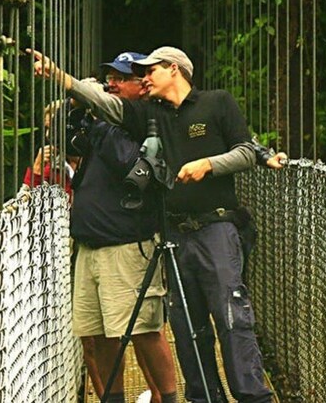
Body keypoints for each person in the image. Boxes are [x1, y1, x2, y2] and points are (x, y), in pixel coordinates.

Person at [30, 46, 287, 403]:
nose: (144, 77)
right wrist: (61, 77)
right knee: (186, 328)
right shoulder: (149, 113)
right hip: (176, 234)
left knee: (231, 318)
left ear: (174, 69)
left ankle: (253, 397)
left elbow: (244, 150)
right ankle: (203, 398)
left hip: (216, 227)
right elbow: (107, 106)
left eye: (150, 70)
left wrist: (208, 164)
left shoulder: (217, 102)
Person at [68, 51, 177, 403]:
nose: (110, 84)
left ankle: (170, 399)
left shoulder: (150, 120)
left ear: (141, 86)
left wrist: (99, 123)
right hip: (90, 246)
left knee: (144, 329)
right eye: (108, 78)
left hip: (127, 246)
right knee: (98, 334)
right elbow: (68, 144)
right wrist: (76, 112)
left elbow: (135, 171)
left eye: (119, 79)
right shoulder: (101, 121)